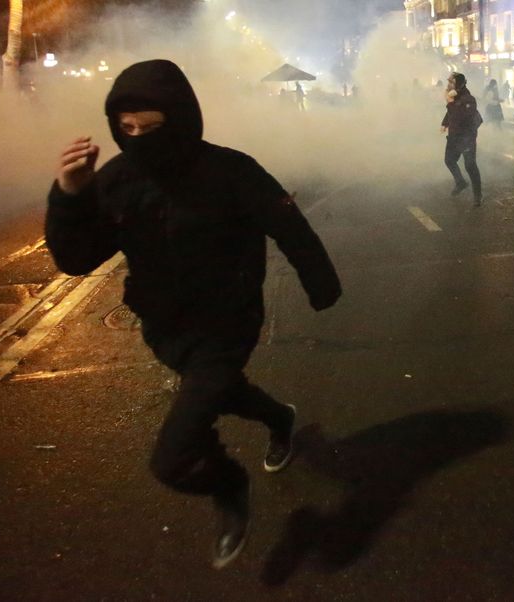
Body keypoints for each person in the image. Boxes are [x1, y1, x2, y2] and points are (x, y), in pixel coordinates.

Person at [45, 60, 342, 569]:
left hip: (227, 320)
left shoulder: (229, 169)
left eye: (152, 127)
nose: (138, 138)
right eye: (127, 128)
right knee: (219, 392)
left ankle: (228, 485)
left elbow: (287, 224)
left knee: (175, 454)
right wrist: (69, 197)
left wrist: (321, 284)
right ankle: (279, 418)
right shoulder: (116, 180)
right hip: (163, 326)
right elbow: (76, 259)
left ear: (181, 119)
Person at [441, 72, 483, 206]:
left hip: (466, 137)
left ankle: (478, 195)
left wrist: (450, 103)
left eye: (452, 83)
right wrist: (444, 123)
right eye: (449, 82)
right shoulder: (456, 97)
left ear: (458, 84)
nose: (449, 85)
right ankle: (460, 182)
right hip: (454, 136)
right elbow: (451, 114)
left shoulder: (468, 99)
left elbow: (461, 117)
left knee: (470, 165)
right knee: (449, 160)